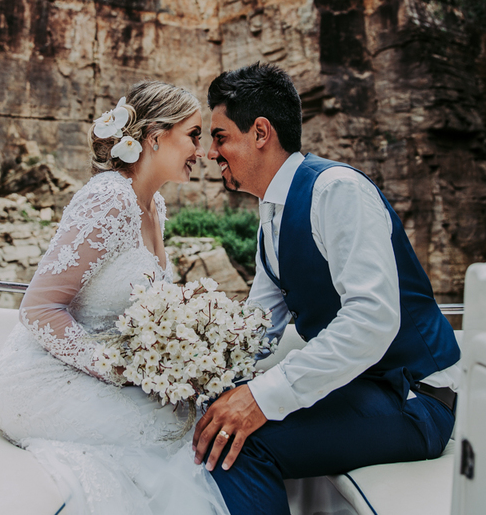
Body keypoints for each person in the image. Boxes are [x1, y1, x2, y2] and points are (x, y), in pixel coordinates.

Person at [193, 63, 461, 515]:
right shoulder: (271, 219)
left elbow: (371, 319)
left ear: (261, 132)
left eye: (220, 137)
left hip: (414, 397)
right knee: (209, 421)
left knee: (234, 447)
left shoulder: (337, 191)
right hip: (363, 386)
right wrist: (194, 376)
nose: (210, 153)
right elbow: (257, 329)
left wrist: (258, 398)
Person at [0, 81, 229, 515]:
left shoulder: (153, 205)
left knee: (195, 413)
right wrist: (119, 367)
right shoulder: (108, 199)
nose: (202, 151)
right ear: (156, 136)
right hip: (44, 379)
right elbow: (39, 309)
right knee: (176, 429)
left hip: (101, 371)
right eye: (194, 135)